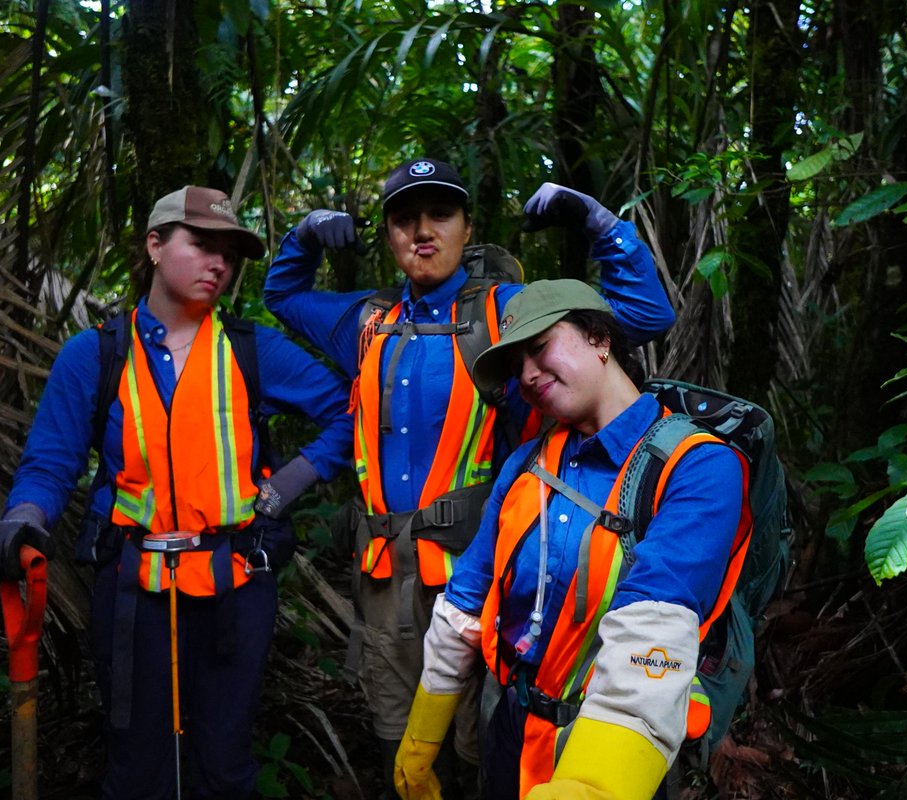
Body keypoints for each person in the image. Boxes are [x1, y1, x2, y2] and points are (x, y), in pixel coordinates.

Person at [264, 159, 675, 796]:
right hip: (381, 569)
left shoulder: (504, 310)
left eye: (440, 215)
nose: (422, 232)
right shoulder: (365, 321)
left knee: (480, 735)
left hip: (477, 567)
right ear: (388, 236)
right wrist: (308, 235)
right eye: (404, 219)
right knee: (396, 730)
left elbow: (644, 316)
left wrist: (598, 222)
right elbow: (282, 296)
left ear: (467, 226)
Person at [0, 186, 353, 800]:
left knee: (224, 764)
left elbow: (350, 409)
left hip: (235, 580)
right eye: (202, 245)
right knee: (137, 767)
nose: (219, 265)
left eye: (229, 254)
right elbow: (50, 464)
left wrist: (292, 481)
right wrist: (22, 518)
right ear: (154, 245)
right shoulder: (95, 354)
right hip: (131, 587)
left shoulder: (252, 348)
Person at [392, 280, 751, 800]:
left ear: (599, 337)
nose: (529, 376)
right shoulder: (528, 462)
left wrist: (591, 785)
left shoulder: (698, 468)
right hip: (508, 728)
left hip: (609, 736)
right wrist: (421, 738)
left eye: (539, 348)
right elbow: (468, 598)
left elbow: (653, 631)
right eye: (518, 365)